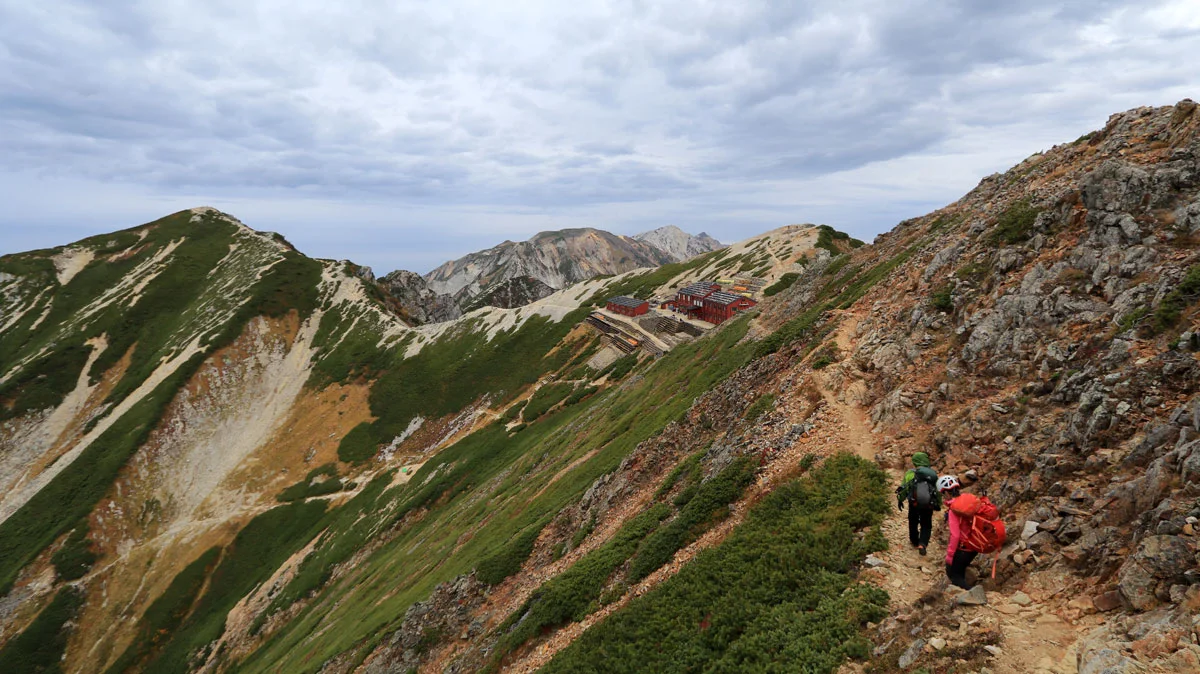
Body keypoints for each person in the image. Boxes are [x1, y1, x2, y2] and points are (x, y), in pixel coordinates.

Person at [895, 452, 940, 556]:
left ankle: (914, 541)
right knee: (926, 524)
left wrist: (900, 499)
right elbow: (937, 491)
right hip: (928, 504)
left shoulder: (910, 473)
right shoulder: (932, 474)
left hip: (914, 503)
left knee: (913, 521)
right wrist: (938, 504)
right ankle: (922, 544)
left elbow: (904, 488)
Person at [939, 475, 978, 589]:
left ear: (946, 493)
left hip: (963, 548)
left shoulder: (954, 510)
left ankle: (973, 597)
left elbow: (955, 535)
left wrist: (950, 556)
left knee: (955, 576)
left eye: (942, 494)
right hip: (974, 545)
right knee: (960, 571)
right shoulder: (968, 502)